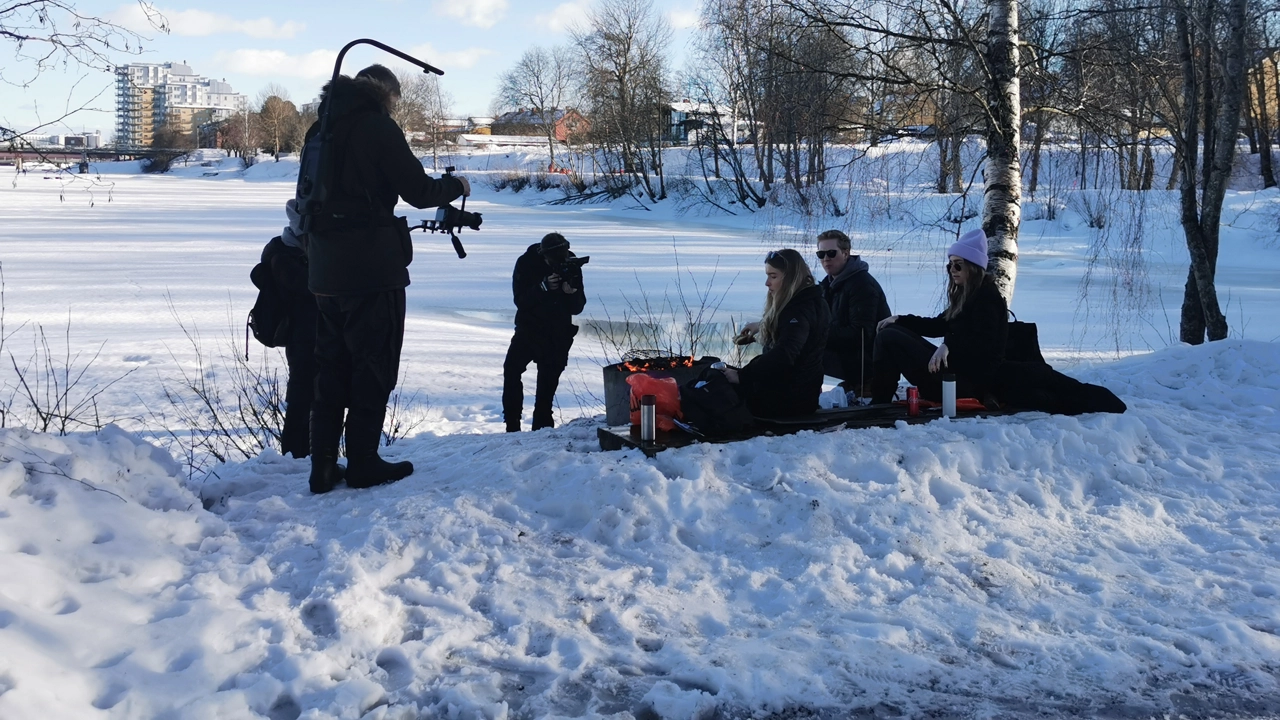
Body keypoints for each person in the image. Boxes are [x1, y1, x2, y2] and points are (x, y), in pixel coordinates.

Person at [305, 64, 471, 494]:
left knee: (330, 369)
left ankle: (322, 467)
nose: (395, 107)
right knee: (372, 366)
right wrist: (456, 185)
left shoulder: (319, 129)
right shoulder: (377, 128)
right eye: (395, 100)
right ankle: (362, 462)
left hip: (323, 269)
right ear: (384, 94)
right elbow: (419, 192)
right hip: (370, 271)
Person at [869, 228, 1006, 404]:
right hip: (952, 373)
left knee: (888, 337)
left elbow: (983, 344)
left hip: (965, 384)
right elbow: (937, 325)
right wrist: (900, 319)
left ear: (973, 267)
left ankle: (880, 400)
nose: (952, 270)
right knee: (892, 329)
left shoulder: (987, 298)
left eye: (958, 265)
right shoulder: (968, 296)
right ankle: (880, 396)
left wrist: (949, 344)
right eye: (950, 265)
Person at [726, 249, 831, 417]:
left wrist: (743, 375)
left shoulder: (799, 309)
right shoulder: (810, 300)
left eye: (773, 276)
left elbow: (784, 355)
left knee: (717, 386)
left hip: (787, 399)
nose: (767, 283)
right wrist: (761, 327)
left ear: (791, 278)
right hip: (801, 393)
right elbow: (796, 337)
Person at [503, 232, 587, 432]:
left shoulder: (571, 265)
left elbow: (577, 307)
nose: (557, 264)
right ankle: (512, 424)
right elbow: (520, 301)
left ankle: (541, 429)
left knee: (547, 386)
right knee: (512, 371)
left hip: (558, 333)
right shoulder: (526, 263)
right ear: (543, 255)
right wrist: (543, 287)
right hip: (528, 329)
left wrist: (571, 293)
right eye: (553, 260)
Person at [265, 198, 317, 458]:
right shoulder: (285, 256)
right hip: (302, 335)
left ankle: (310, 453)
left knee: (316, 396)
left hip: (313, 333)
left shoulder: (291, 250)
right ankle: (296, 456)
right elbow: (308, 289)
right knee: (301, 396)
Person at [814, 229, 891, 395]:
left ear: (846, 253)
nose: (826, 258)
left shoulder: (862, 285)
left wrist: (817, 334)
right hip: (846, 356)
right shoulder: (827, 285)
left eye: (831, 253)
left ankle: (864, 385)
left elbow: (861, 334)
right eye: (821, 254)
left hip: (867, 362)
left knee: (803, 349)